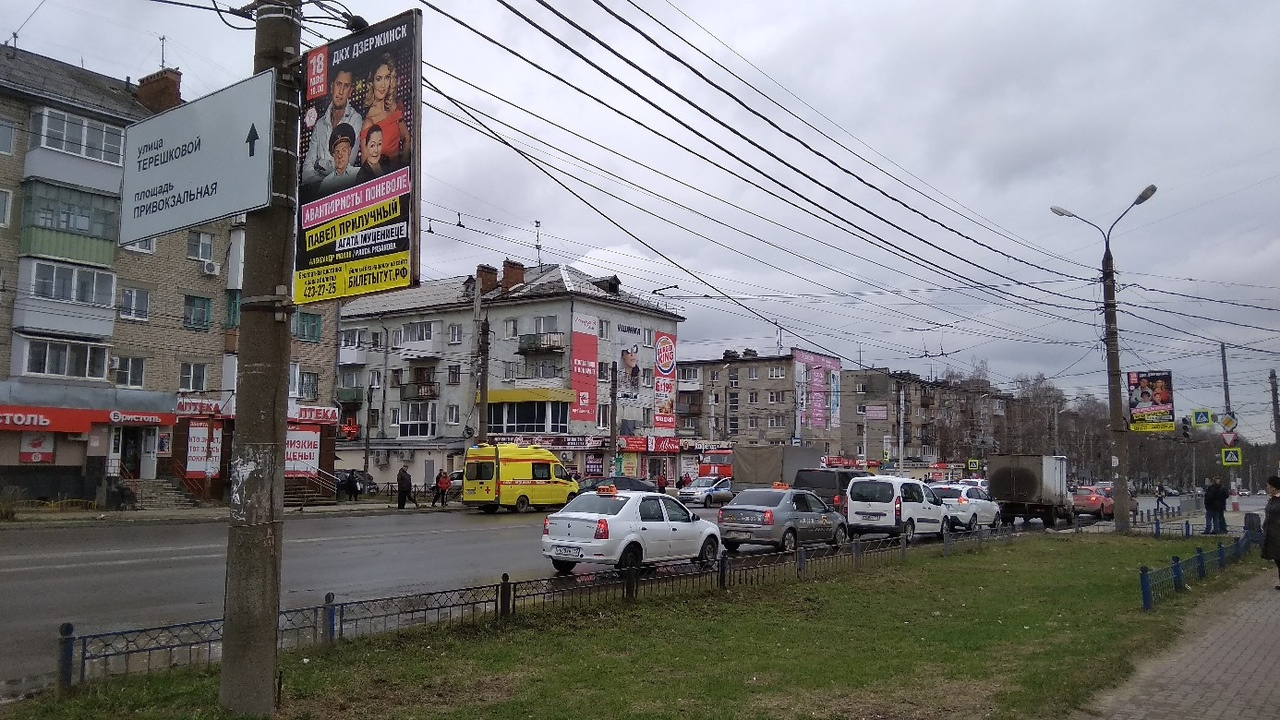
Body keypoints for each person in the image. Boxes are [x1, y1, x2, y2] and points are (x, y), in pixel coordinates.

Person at [301, 69, 363, 191]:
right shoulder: (320, 125)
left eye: (346, 86)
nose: (340, 92)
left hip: (343, 192)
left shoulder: (356, 119)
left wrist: (319, 163)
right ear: (331, 87)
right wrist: (329, 177)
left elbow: (347, 165)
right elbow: (306, 174)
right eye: (338, 84)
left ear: (350, 91)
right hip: (318, 195)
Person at [360, 53, 411, 169]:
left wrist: (402, 164)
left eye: (387, 78)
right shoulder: (369, 122)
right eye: (379, 79)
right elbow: (366, 166)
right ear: (371, 82)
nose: (383, 85)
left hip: (399, 178)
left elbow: (407, 138)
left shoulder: (394, 110)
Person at [318, 123, 359, 195]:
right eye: (337, 151)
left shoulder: (359, 174)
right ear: (333, 154)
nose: (340, 156)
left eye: (344, 150)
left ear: (349, 151)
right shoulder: (326, 183)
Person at [1260, 476, 1280, 590]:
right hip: (1272, 533)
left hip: (1278, 532)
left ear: (1274, 488)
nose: (1267, 488)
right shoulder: (1272, 499)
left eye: (1268, 486)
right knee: (1277, 558)